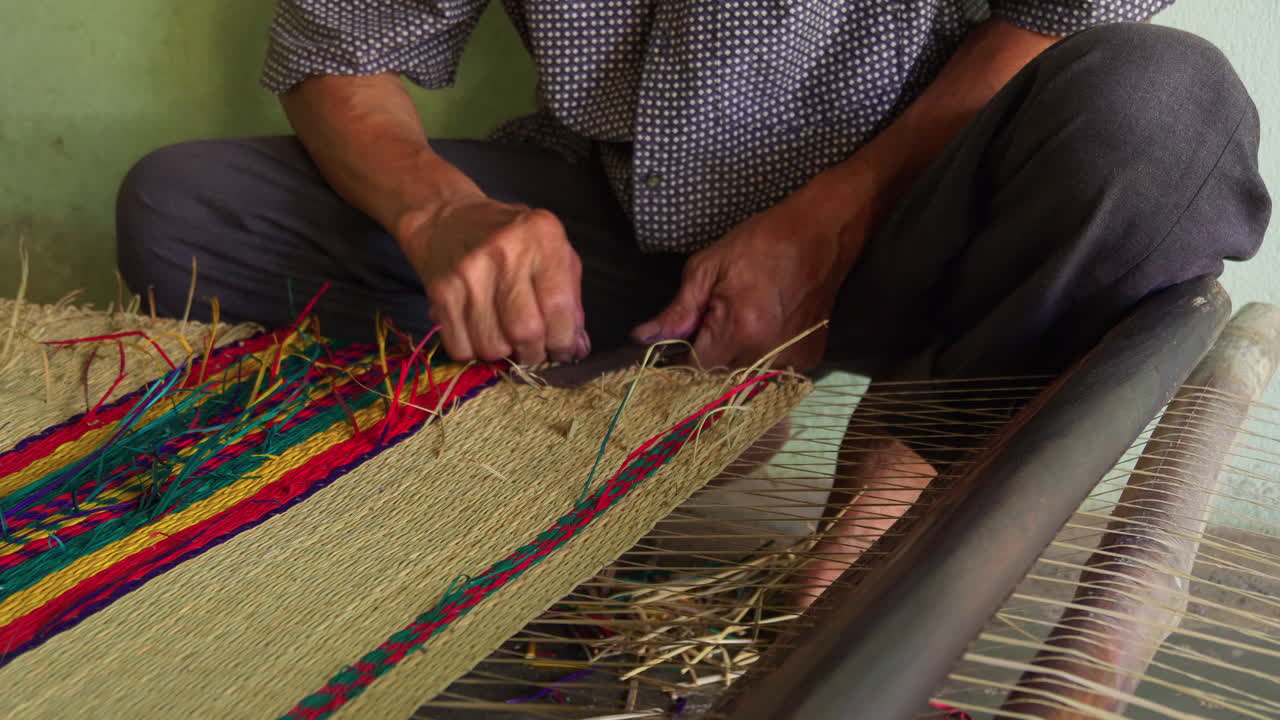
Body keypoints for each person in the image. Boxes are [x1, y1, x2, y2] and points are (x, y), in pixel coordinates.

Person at [116, 2, 1269, 600]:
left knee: (1159, 111)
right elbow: (338, 48)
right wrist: (439, 215)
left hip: (922, 222)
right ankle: (652, 388)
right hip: (627, 231)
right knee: (183, 210)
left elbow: (1063, 8)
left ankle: (899, 473)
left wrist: (839, 210)